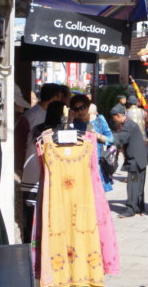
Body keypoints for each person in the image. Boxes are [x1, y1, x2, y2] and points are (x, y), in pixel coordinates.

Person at [15, 82, 65, 242]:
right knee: (34, 214)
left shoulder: (42, 117)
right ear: (56, 97)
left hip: (39, 174)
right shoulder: (32, 116)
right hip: (35, 173)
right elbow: (19, 144)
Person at [69, 94, 114, 192]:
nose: (80, 111)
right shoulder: (73, 123)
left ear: (88, 106)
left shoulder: (99, 119)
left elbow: (111, 139)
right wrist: (70, 120)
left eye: (82, 107)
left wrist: (98, 136)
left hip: (97, 165)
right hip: (80, 165)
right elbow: (68, 142)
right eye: (76, 109)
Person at [110, 103, 148, 217]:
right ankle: (139, 208)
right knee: (139, 184)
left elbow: (121, 137)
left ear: (118, 115)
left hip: (135, 160)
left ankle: (131, 209)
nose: (114, 121)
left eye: (114, 118)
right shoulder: (130, 124)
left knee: (133, 184)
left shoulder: (128, 126)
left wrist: (106, 138)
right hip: (140, 158)